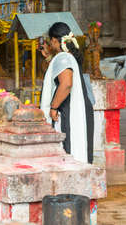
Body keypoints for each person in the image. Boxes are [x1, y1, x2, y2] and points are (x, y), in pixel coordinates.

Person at [39, 22, 94, 164]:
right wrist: (48, 57)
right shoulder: (69, 56)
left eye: (50, 41)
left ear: (54, 40)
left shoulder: (63, 57)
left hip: (69, 111)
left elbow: (66, 84)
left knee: (69, 148)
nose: (50, 45)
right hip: (78, 109)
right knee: (80, 146)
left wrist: (53, 107)